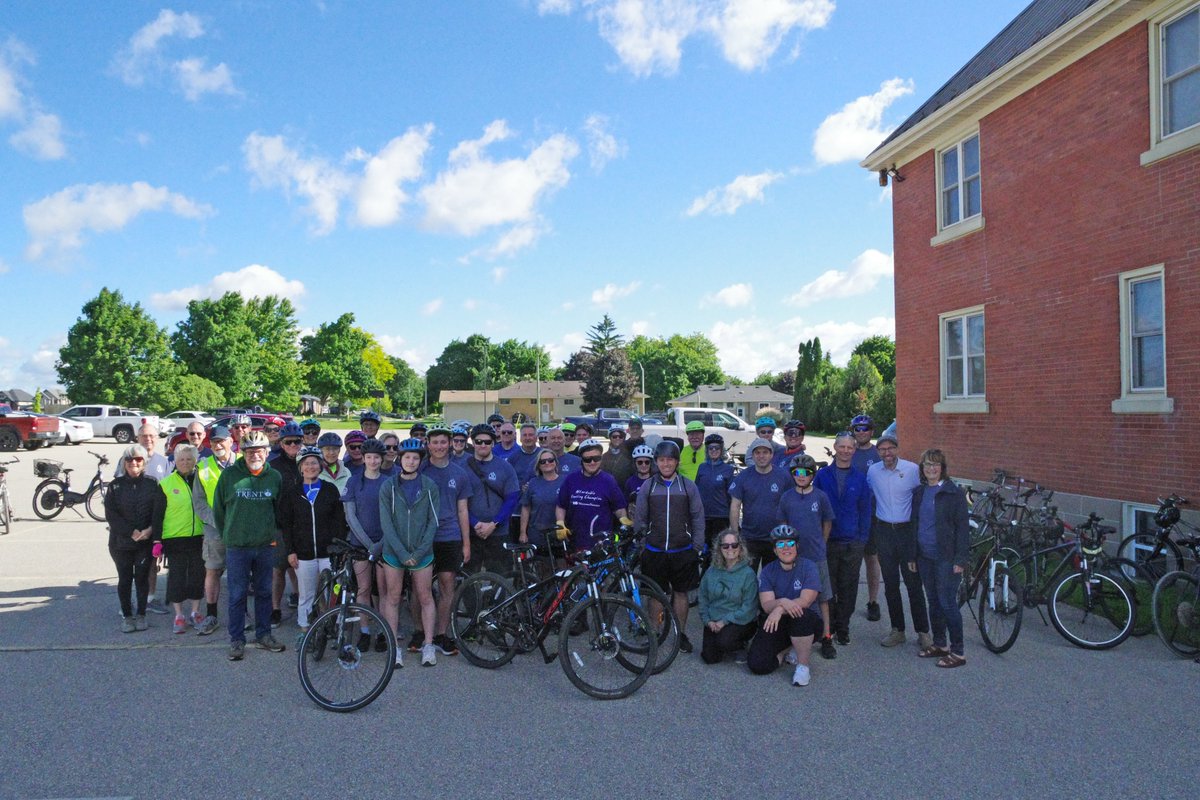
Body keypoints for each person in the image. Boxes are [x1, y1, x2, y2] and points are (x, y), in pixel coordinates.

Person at [212, 431, 287, 661]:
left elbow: (278, 510)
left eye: (259, 450)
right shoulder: (229, 476)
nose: (255, 454)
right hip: (238, 546)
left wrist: (268, 533)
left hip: (264, 545)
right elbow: (218, 511)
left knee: (264, 592)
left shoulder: (274, 477)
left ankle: (264, 634)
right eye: (250, 451)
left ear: (266, 452)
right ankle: (237, 639)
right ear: (242, 453)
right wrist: (232, 534)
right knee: (237, 594)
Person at [633, 440, 704, 654]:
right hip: (654, 550)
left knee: (680, 593)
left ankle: (679, 633)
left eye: (670, 460)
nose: (666, 464)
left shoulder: (687, 485)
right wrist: (642, 545)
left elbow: (698, 517)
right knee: (656, 593)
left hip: (682, 550)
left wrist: (697, 546)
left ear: (676, 462)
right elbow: (640, 517)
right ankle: (654, 632)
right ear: (656, 462)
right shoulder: (649, 485)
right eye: (662, 460)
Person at [379, 438, 441, 667]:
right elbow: (386, 523)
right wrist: (403, 553)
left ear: (421, 460)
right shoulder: (388, 486)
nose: (411, 461)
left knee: (424, 596)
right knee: (393, 597)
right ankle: (394, 646)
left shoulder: (429, 486)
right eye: (407, 457)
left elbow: (433, 522)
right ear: (400, 459)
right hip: (394, 552)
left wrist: (420, 550)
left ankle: (428, 644)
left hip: (422, 552)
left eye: (416, 458)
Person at [866, 432, 931, 649]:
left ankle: (923, 631)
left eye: (891, 448)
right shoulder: (873, 471)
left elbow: (925, 496)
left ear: (897, 449)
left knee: (913, 584)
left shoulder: (912, 470)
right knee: (891, 584)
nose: (887, 453)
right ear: (878, 452)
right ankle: (897, 630)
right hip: (884, 531)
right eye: (883, 449)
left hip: (907, 533)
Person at [908, 449, 970, 668]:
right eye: (927, 465)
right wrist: (913, 555)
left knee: (947, 603)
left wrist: (960, 559)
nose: (931, 468)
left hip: (947, 558)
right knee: (933, 601)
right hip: (925, 557)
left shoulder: (954, 493)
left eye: (935, 465)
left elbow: (963, 529)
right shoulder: (920, 492)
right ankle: (940, 644)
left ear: (942, 468)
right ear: (922, 468)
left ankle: (958, 651)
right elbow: (915, 525)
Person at [277, 446, 347, 640]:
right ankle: (305, 631)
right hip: (303, 553)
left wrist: (339, 548)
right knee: (306, 595)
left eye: (314, 463)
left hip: (329, 554)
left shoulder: (330, 490)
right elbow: (287, 525)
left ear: (320, 466)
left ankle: (336, 629)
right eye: (306, 463)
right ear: (300, 468)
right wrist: (291, 550)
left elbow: (339, 521)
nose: (310, 467)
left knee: (333, 594)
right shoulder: (292, 493)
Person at [418, 425, 473, 657]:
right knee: (419, 589)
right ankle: (420, 632)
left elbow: (463, 510)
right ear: (428, 444)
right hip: (423, 537)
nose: (439, 446)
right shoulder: (419, 470)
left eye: (443, 442)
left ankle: (442, 633)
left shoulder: (459, 473)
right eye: (435, 442)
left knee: (446, 585)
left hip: (449, 535)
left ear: (450, 443)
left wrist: (466, 543)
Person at [813, 432, 872, 646]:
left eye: (850, 448)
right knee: (829, 587)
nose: (846, 451)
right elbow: (815, 507)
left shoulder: (859, 478)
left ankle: (843, 626)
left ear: (854, 451)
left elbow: (865, 510)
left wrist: (862, 538)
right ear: (835, 448)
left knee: (849, 587)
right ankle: (830, 625)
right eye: (842, 447)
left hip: (852, 542)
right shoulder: (822, 475)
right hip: (827, 541)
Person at [747, 525, 824, 686]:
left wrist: (780, 607)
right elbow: (767, 605)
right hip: (780, 622)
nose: (786, 548)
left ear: (797, 546)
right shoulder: (768, 571)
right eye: (780, 545)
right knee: (757, 664)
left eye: (790, 543)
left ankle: (803, 667)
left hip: (807, 622)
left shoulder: (809, 567)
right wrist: (781, 603)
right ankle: (787, 650)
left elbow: (806, 601)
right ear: (775, 550)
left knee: (800, 614)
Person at [778, 454, 837, 659]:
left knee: (823, 598)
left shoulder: (820, 496)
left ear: (812, 475)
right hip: (794, 556)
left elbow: (827, 521)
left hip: (816, 555)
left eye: (806, 473)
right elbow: (783, 524)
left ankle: (827, 636)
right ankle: (797, 637)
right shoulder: (786, 497)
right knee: (797, 595)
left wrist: (822, 541)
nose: (801, 476)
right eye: (797, 473)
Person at [105, 443, 165, 632]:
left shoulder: (152, 483)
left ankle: (141, 614)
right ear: (124, 463)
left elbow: (159, 512)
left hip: (144, 542)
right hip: (121, 542)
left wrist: (150, 530)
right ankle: (127, 615)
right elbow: (111, 515)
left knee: (141, 578)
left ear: (144, 462)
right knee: (124, 579)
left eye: (138, 459)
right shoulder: (115, 486)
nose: (134, 463)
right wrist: (131, 531)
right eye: (129, 459)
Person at [115, 424, 171, 614]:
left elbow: (168, 492)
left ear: (157, 438)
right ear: (138, 437)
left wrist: (153, 528)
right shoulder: (126, 459)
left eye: (151, 436)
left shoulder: (163, 462)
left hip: (153, 524)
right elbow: (117, 491)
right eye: (144, 435)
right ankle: (128, 604)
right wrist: (128, 529)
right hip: (129, 528)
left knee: (152, 565)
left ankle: (149, 599)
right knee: (128, 570)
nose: (148, 439)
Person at [343, 438, 391, 653]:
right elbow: (350, 516)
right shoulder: (354, 482)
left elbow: (393, 516)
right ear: (363, 459)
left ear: (382, 459)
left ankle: (382, 631)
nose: (372, 461)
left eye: (376, 458)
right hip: (360, 544)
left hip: (384, 544)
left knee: (382, 590)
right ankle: (364, 631)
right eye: (369, 457)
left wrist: (380, 544)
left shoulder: (389, 482)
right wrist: (369, 544)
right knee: (363, 589)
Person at [154, 444, 206, 634]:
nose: (185, 463)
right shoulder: (166, 484)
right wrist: (157, 540)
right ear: (175, 462)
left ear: (195, 461)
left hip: (198, 536)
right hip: (174, 538)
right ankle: (178, 615)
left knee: (197, 576)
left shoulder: (201, 480)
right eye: (181, 460)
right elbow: (157, 515)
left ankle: (195, 611)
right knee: (176, 577)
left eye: (189, 459)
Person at [194, 426, 237, 636]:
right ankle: (211, 615)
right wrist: (217, 521)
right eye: (214, 443)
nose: (218, 445)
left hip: (240, 529)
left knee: (239, 574)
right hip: (215, 530)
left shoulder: (243, 462)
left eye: (222, 441)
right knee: (212, 571)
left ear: (231, 441)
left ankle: (241, 614)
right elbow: (199, 502)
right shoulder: (202, 468)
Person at [462, 424, 520, 574]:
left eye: (487, 442)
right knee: (470, 578)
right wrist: (475, 523)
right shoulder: (462, 468)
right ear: (472, 442)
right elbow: (459, 503)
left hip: (498, 532)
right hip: (472, 533)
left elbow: (512, 498)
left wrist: (494, 524)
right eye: (479, 441)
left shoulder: (505, 467)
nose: (483, 445)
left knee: (500, 578)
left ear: (493, 443)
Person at [728, 438, 791, 570]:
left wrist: (786, 532)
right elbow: (735, 506)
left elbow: (790, 505)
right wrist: (735, 533)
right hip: (750, 538)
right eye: (757, 453)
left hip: (776, 537)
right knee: (748, 577)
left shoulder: (783, 476)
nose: (761, 456)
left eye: (765, 452)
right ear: (752, 455)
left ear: (771, 454)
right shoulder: (743, 476)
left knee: (773, 577)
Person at [556, 438, 628, 553]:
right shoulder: (571, 479)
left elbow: (619, 507)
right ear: (581, 460)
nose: (592, 462)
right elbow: (561, 506)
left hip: (601, 543)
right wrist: (560, 523)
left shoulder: (609, 480)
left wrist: (623, 518)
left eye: (596, 458)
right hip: (575, 541)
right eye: (587, 459)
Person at [697, 530, 758, 664]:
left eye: (734, 545)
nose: (730, 549)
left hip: (739, 620)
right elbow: (702, 597)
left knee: (724, 642)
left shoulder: (748, 574)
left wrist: (724, 621)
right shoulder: (711, 571)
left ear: (740, 548)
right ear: (720, 549)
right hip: (713, 620)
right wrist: (707, 620)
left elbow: (749, 607)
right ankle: (722, 642)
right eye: (725, 546)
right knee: (709, 658)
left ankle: (741, 645)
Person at [269, 421, 303, 623]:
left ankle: (303, 604)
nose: (293, 446)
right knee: (278, 569)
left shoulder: (309, 462)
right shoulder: (273, 467)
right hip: (280, 526)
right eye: (288, 442)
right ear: (281, 443)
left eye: (296, 442)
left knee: (302, 569)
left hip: (304, 525)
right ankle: (275, 609)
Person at [850, 414, 883, 622]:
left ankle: (873, 601)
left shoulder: (879, 453)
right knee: (850, 562)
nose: (861, 432)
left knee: (872, 560)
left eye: (865, 428)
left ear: (871, 431)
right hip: (851, 516)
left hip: (872, 514)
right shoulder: (847, 451)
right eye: (857, 429)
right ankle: (845, 602)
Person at [519, 448, 567, 575]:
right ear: (538, 465)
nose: (547, 463)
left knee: (564, 570)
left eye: (550, 460)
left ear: (556, 462)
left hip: (560, 533)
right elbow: (525, 508)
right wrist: (523, 532)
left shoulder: (565, 481)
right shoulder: (533, 483)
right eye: (543, 461)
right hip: (538, 533)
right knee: (544, 571)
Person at [694, 434, 735, 560]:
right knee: (705, 552)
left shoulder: (728, 469)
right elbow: (696, 489)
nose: (714, 451)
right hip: (704, 516)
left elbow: (731, 496)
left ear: (721, 450)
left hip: (720, 516)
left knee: (718, 552)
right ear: (707, 450)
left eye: (717, 448)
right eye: (711, 448)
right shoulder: (702, 467)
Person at [317, 431, 350, 495]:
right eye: (327, 449)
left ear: (339, 450)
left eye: (335, 448)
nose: (331, 452)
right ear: (321, 450)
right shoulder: (315, 472)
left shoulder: (346, 472)